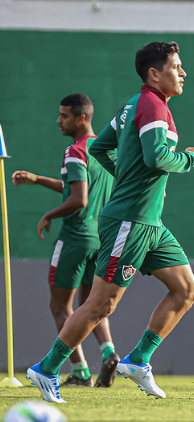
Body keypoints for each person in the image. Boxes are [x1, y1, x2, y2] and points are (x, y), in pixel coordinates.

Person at [26, 41, 194, 403]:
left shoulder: (133, 105)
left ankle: (138, 360)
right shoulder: (152, 105)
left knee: (186, 290)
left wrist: (130, 177)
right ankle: (45, 370)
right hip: (129, 221)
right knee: (100, 305)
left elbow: (99, 148)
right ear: (154, 74)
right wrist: (188, 159)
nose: (183, 72)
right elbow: (157, 157)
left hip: (150, 223)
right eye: (176, 66)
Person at [13, 93, 120, 388]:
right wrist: (38, 179)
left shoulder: (74, 150)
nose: (58, 121)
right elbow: (76, 186)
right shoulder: (104, 150)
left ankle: (81, 371)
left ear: (80, 118)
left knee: (61, 307)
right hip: (103, 239)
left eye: (64, 116)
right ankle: (109, 353)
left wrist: (49, 214)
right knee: (93, 303)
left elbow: (78, 198)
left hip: (75, 237)